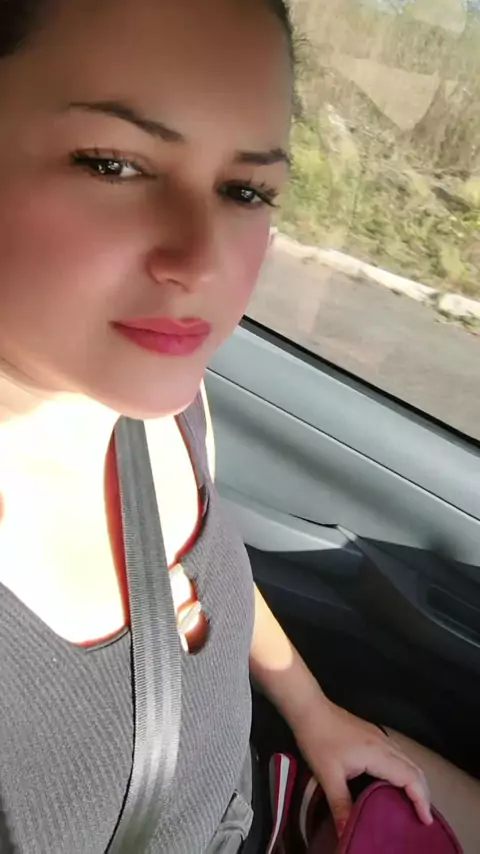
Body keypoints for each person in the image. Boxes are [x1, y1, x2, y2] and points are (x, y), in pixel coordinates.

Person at [0, 0, 477, 851]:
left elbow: (213, 566)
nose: (202, 260)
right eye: (113, 164)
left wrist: (312, 709)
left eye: (245, 190)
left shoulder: (167, 405)